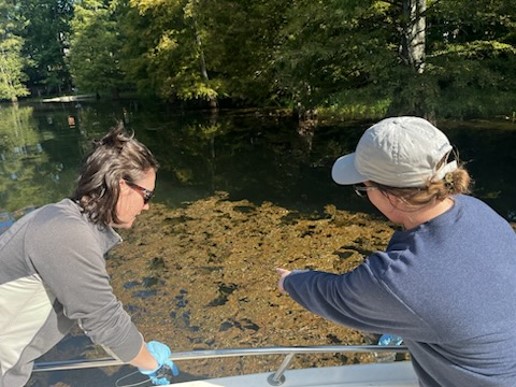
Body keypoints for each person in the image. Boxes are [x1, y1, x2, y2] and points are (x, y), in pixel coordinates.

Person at [277, 116, 516, 386]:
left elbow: (335, 295)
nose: (366, 193)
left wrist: (290, 281)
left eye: (364, 186)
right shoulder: (478, 211)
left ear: (389, 195)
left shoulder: (396, 276)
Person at [0, 123, 178, 387]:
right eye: (147, 195)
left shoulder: (62, 220)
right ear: (121, 185)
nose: (148, 206)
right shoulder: (65, 235)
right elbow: (105, 322)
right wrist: (152, 365)